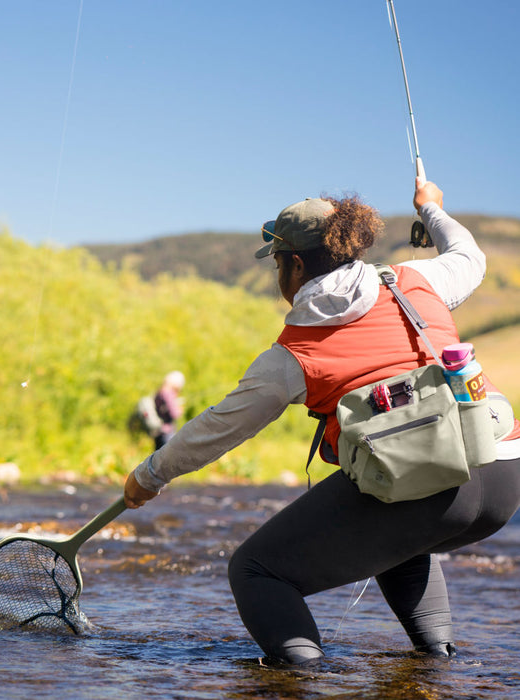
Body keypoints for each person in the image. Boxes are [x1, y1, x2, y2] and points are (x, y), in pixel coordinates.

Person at [123, 178, 520, 664]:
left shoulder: (293, 355)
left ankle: (301, 682)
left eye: (277, 264)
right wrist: (432, 209)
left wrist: (148, 476)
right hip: (502, 472)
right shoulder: (417, 279)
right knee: (399, 525)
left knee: (255, 570)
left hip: (432, 490)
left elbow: (217, 429)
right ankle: (436, 666)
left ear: (294, 264)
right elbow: (469, 255)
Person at [153, 371, 185, 450]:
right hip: (166, 431)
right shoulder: (168, 393)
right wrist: (180, 410)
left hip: (158, 430)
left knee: (158, 454)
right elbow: (174, 413)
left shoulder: (160, 391)